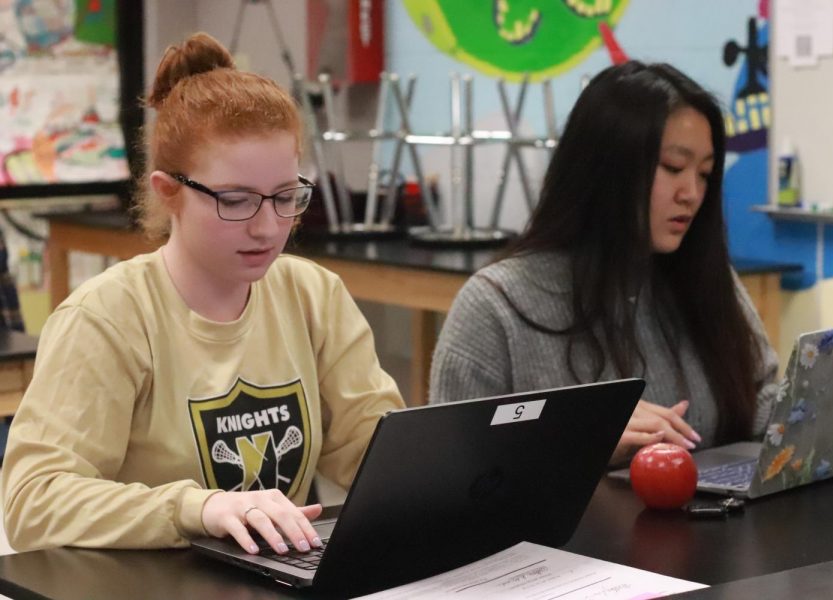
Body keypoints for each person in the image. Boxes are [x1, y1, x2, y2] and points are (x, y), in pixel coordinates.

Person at [1, 32, 404, 555]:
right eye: (236, 201)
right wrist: (200, 508)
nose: (267, 227)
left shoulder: (313, 295)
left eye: (286, 197)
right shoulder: (108, 316)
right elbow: (34, 503)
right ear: (169, 192)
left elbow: (372, 455)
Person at [430, 61, 779, 464]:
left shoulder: (706, 280)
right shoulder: (497, 305)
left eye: (704, 174)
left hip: (713, 524)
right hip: (572, 528)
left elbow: (761, 403)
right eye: (673, 168)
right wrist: (582, 440)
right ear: (607, 170)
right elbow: (451, 469)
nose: (692, 193)